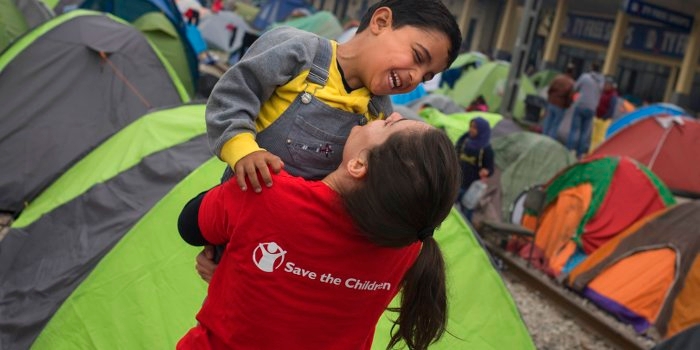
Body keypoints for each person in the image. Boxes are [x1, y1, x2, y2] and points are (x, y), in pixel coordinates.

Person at [177, 114, 462, 350]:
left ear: (359, 164)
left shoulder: (266, 192)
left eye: (390, 124)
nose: (393, 113)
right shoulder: (407, 246)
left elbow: (190, 226)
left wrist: (229, 267)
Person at [206, 0, 462, 194]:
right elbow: (231, 99)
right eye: (418, 57)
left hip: (295, 229)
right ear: (381, 22)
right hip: (242, 199)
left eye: (426, 77)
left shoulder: (379, 114)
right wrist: (243, 152)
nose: (415, 78)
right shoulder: (297, 50)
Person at [455, 117, 494, 220]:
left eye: (475, 128)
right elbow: (455, 152)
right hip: (457, 182)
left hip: (472, 187)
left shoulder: (486, 149)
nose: (471, 130)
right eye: (471, 126)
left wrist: (486, 171)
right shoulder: (464, 140)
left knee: (466, 215)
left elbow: (490, 168)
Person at [566, 61, 604, 158]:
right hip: (592, 108)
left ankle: (569, 150)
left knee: (575, 129)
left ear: (591, 67)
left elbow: (575, 88)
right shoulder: (601, 81)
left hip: (581, 105)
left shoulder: (585, 77)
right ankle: (579, 154)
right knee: (584, 132)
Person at [542, 64, 575, 138]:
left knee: (547, 121)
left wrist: (550, 99)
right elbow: (570, 97)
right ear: (572, 73)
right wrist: (567, 105)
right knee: (555, 125)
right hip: (561, 106)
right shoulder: (571, 83)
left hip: (552, 102)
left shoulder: (557, 78)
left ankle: (543, 137)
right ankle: (550, 140)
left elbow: (550, 89)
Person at [589, 76, 618, 152]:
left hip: (604, 120)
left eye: (607, 84)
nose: (605, 86)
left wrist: (604, 118)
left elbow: (611, 110)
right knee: (593, 137)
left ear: (611, 86)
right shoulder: (602, 93)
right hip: (597, 118)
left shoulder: (613, 95)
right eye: (605, 84)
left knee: (600, 138)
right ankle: (591, 151)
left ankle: (597, 153)